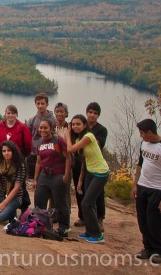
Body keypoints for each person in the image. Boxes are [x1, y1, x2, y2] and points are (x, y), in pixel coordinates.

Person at [132, 119, 161, 264]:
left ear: (150, 132)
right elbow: (140, 163)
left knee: (154, 221)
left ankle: (159, 250)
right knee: (142, 220)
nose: (141, 136)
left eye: (142, 133)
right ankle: (148, 248)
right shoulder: (144, 144)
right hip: (143, 186)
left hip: (158, 190)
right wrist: (135, 184)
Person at [66, 114, 109, 243]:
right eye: (73, 125)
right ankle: (90, 231)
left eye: (78, 124)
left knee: (87, 203)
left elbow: (70, 149)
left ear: (84, 125)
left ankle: (97, 235)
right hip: (90, 171)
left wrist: (68, 134)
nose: (75, 127)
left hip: (100, 173)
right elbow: (84, 161)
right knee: (89, 203)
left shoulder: (88, 137)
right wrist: (80, 180)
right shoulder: (80, 137)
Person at [33, 119, 71, 236]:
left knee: (60, 203)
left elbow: (68, 158)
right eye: (41, 128)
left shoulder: (57, 141)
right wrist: (35, 179)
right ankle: (41, 223)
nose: (43, 130)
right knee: (39, 200)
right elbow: (38, 162)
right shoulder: (40, 143)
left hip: (57, 175)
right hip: (44, 175)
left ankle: (64, 227)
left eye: (45, 128)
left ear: (51, 128)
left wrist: (65, 176)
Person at [84, 102, 108, 231]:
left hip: (97, 166)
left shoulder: (101, 129)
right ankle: (84, 217)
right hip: (84, 163)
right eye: (90, 112)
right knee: (82, 190)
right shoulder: (82, 126)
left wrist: (89, 136)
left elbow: (99, 145)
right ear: (86, 112)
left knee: (98, 194)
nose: (92, 115)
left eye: (95, 113)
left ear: (98, 115)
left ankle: (100, 219)